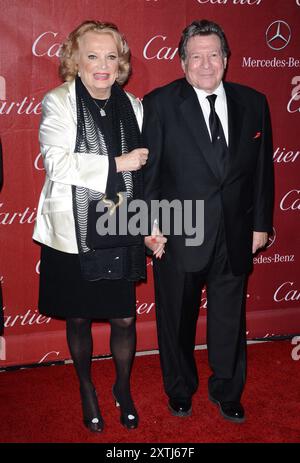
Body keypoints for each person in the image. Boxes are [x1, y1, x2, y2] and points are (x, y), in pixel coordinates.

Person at [142, 19, 274, 423]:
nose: (205, 64)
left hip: (235, 232)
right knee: (176, 318)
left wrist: (260, 226)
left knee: (229, 318)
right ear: (182, 63)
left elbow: (263, 171)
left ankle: (227, 389)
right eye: (195, 56)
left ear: (226, 59)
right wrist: (151, 225)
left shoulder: (254, 102)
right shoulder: (160, 103)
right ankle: (180, 389)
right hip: (179, 230)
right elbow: (148, 174)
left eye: (213, 54)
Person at [33, 20, 150, 432]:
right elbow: (57, 164)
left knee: (123, 319)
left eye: (111, 56)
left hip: (120, 225)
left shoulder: (133, 105)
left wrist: (151, 222)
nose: (103, 65)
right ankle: (86, 388)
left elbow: (144, 177)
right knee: (79, 317)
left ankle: (122, 387)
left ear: (121, 64)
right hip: (72, 232)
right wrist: (117, 163)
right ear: (76, 61)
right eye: (93, 55)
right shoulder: (58, 101)